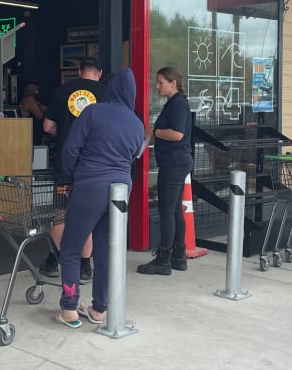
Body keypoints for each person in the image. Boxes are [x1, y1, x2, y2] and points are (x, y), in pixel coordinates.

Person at [55, 67, 143, 328]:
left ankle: (69, 308)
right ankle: (99, 309)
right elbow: (133, 158)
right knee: (105, 250)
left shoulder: (93, 111)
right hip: (120, 189)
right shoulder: (137, 123)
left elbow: (71, 148)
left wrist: (71, 178)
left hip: (90, 185)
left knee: (71, 248)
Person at [40, 58, 107, 281]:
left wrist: (66, 132)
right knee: (87, 214)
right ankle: (85, 265)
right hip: (93, 166)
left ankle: (55, 260)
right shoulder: (105, 93)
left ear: (79, 72)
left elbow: (48, 126)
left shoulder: (63, 90)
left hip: (66, 164)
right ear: (99, 73)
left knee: (59, 212)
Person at [138, 67, 194, 275]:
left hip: (174, 163)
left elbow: (177, 134)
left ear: (173, 83)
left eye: (161, 82)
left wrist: (155, 131)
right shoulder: (174, 103)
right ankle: (179, 256)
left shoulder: (178, 104)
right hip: (177, 162)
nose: (157, 86)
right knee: (175, 210)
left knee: (167, 211)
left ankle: (163, 258)